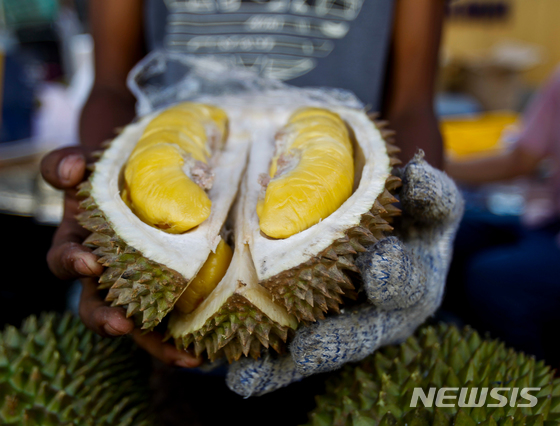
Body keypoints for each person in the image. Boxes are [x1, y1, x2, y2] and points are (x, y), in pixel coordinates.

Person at [40, 1, 447, 423]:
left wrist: (415, 225)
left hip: (343, 296)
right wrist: (96, 194)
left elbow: (413, 104)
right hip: (160, 334)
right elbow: (112, 85)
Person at [444, 66, 560, 369]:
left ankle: (538, 388)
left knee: (491, 278)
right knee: (444, 235)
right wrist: (434, 166)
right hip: (543, 219)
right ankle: (460, 353)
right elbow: (522, 159)